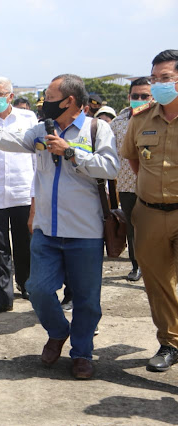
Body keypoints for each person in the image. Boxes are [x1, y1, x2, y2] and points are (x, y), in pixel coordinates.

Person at [0, 73, 119, 379]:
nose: (44, 104)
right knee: (36, 288)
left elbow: (110, 166)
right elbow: (12, 141)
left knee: (87, 299)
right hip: (46, 230)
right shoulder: (40, 129)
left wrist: (70, 151)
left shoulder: (96, 129)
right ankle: (58, 331)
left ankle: (82, 353)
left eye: (50, 98)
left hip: (84, 231)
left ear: (70, 101)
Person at [121, 49, 178, 372]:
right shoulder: (141, 119)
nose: (158, 85)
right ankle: (170, 342)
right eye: (154, 78)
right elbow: (133, 159)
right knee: (158, 284)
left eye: (165, 78)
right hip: (150, 213)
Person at [0, 77, 37, 313]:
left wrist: (38, 192)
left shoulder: (28, 119)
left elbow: (37, 157)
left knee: (23, 242)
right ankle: (3, 294)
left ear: (10, 97)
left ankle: (26, 284)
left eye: (0, 94)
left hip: (23, 190)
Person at [111, 77, 152, 282]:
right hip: (127, 185)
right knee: (132, 227)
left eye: (144, 96)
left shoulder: (162, 120)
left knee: (157, 228)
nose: (139, 99)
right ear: (129, 97)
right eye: (135, 96)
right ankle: (136, 266)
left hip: (156, 185)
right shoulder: (117, 123)